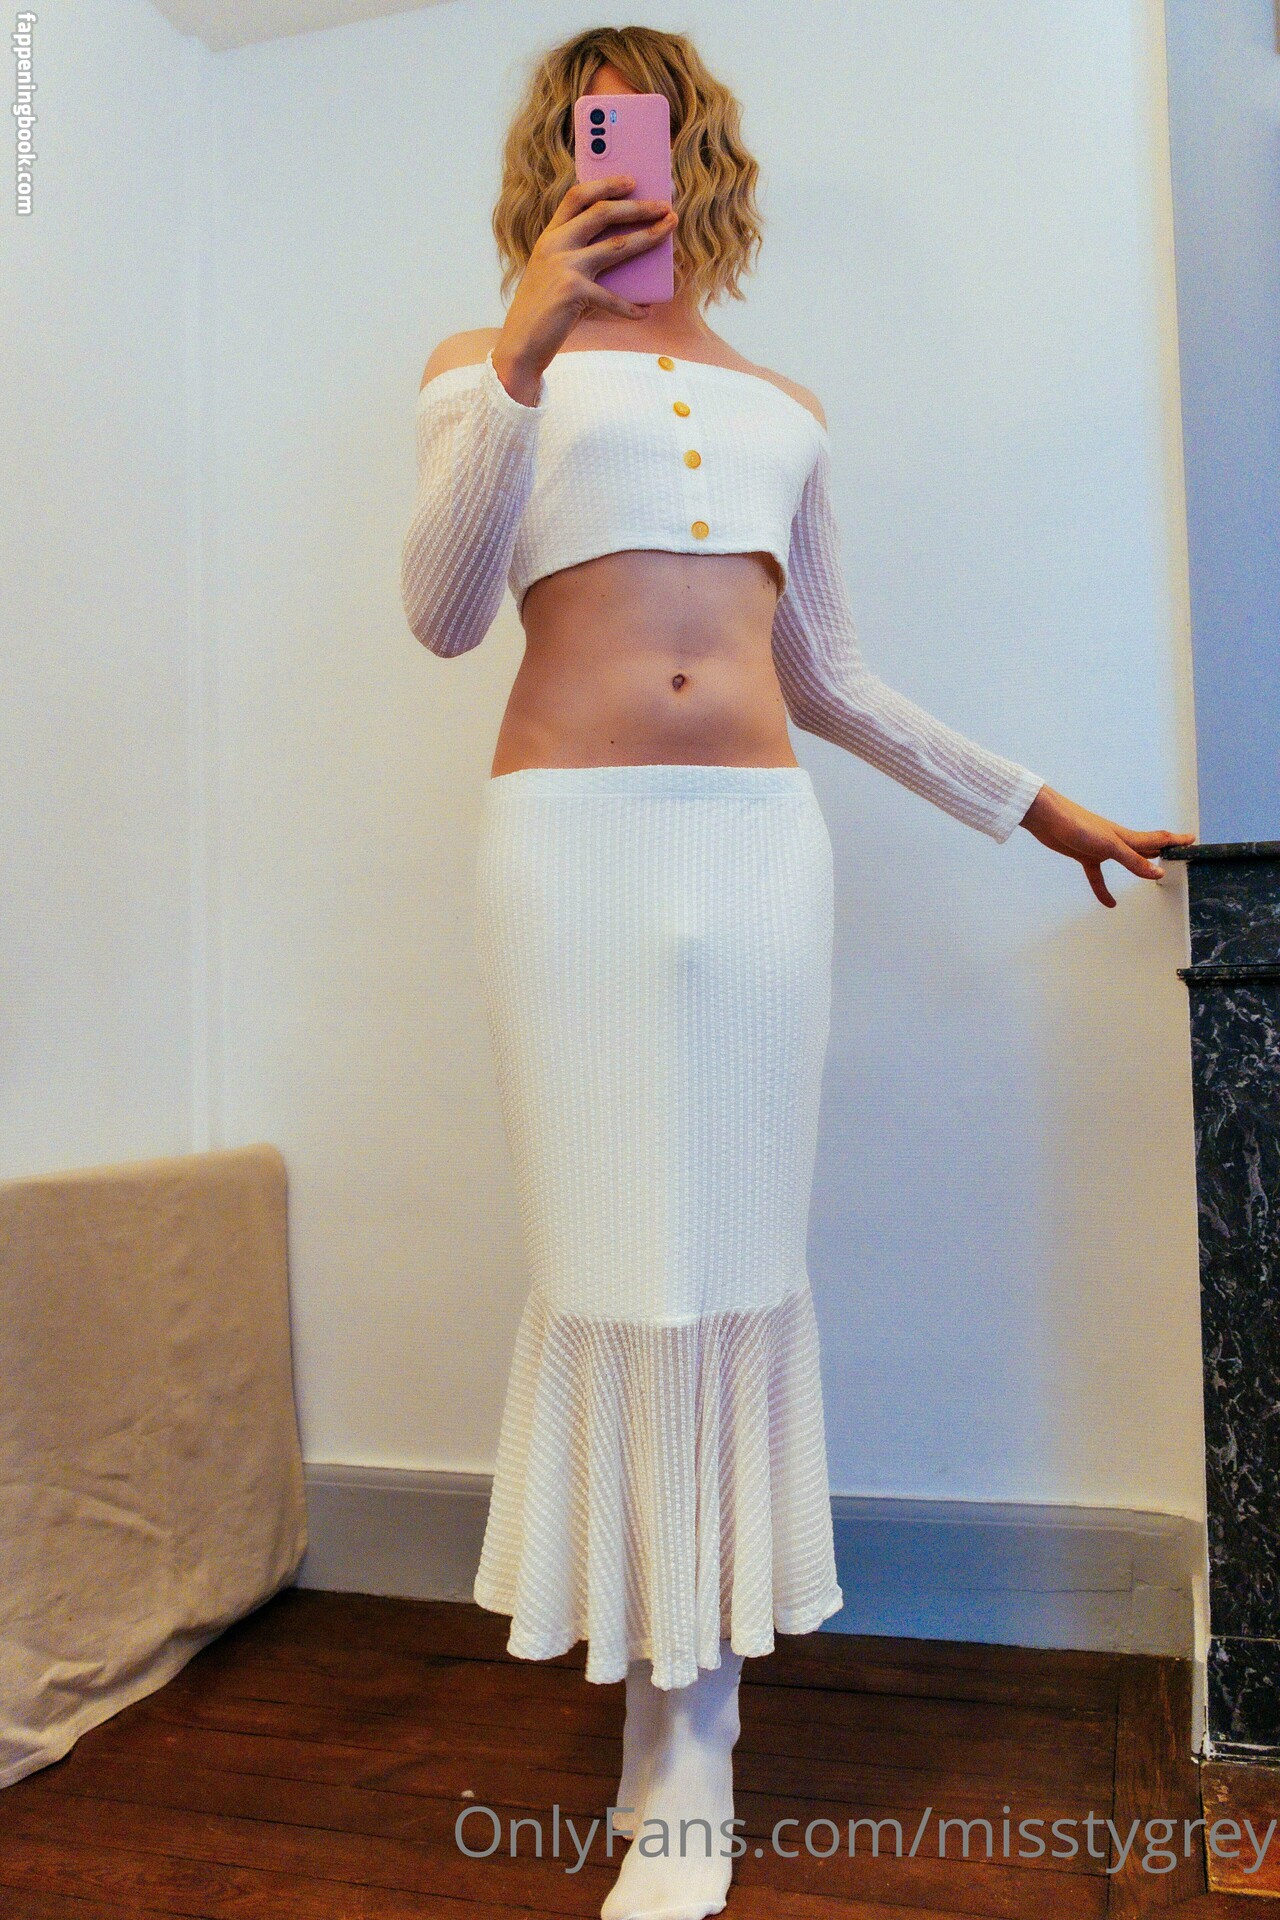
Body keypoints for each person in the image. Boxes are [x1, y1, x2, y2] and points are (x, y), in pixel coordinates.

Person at [400, 26, 1194, 1920]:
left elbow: (827, 674)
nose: (622, 165)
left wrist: (1035, 807)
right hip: (565, 856)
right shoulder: (480, 368)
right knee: (617, 1272)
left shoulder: (785, 404)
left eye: (648, 134)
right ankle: (653, 1708)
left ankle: (695, 1742)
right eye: (589, 137)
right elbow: (437, 612)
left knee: (736, 1268)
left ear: (701, 159)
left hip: (761, 857)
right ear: (552, 163)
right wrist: (521, 343)